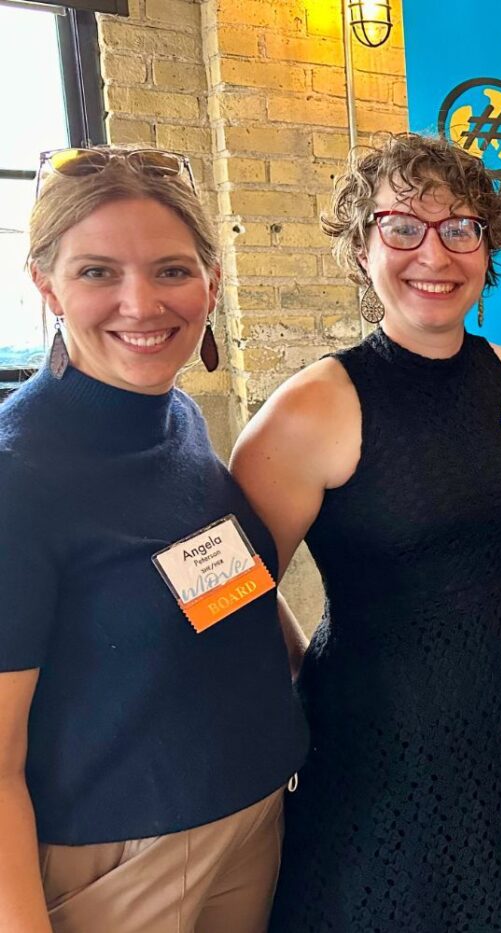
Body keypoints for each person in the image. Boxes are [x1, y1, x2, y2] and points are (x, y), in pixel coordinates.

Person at [230, 133, 501, 932]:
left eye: (460, 227)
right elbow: (234, 591)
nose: (432, 252)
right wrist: (308, 673)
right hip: (387, 756)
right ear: (363, 245)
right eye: (402, 226)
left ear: (488, 245)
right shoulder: (311, 408)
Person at [0, 147, 307, 931]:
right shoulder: (19, 475)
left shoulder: (179, 420)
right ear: (47, 287)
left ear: (210, 280)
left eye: (171, 271)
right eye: (98, 272)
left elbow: (231, 586)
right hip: (124, 855)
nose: (142, 303)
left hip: (253, 812)